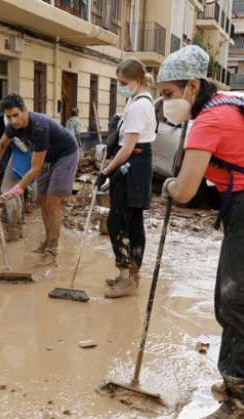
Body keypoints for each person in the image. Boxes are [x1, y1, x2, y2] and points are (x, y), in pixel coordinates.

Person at [160, 45, 244, 419]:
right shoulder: (226, 106)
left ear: (191, 86)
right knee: (233, 301)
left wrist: (168, 185)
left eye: (168, 93)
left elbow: (185, 190)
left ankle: (239, 402)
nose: (165, 102)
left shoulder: (210, 120)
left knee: (238, 306)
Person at [0, 93, 79, 259]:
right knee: (41, 200)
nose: (13, 120)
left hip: (66, 155)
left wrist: (17, 189)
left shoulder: (39, 127)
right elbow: (1, 144)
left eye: (16, 115)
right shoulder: (13, 126)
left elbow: (35, 168)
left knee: (52, 201)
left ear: (24, 110)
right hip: (47, 156)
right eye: (9, 117)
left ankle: (53, 246)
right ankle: (48, 240)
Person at [99, 58, 156, 298]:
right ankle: (130, 275)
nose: (121, 86)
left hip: (133, 165)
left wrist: (105, 171)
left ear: (138, 80)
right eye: (119, 82)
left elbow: (128, 148)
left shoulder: (139, 105)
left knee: (119, 222)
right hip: (134, 162)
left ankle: (127, 278)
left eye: (123, 82)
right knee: (130, 220)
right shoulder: (136, 100)